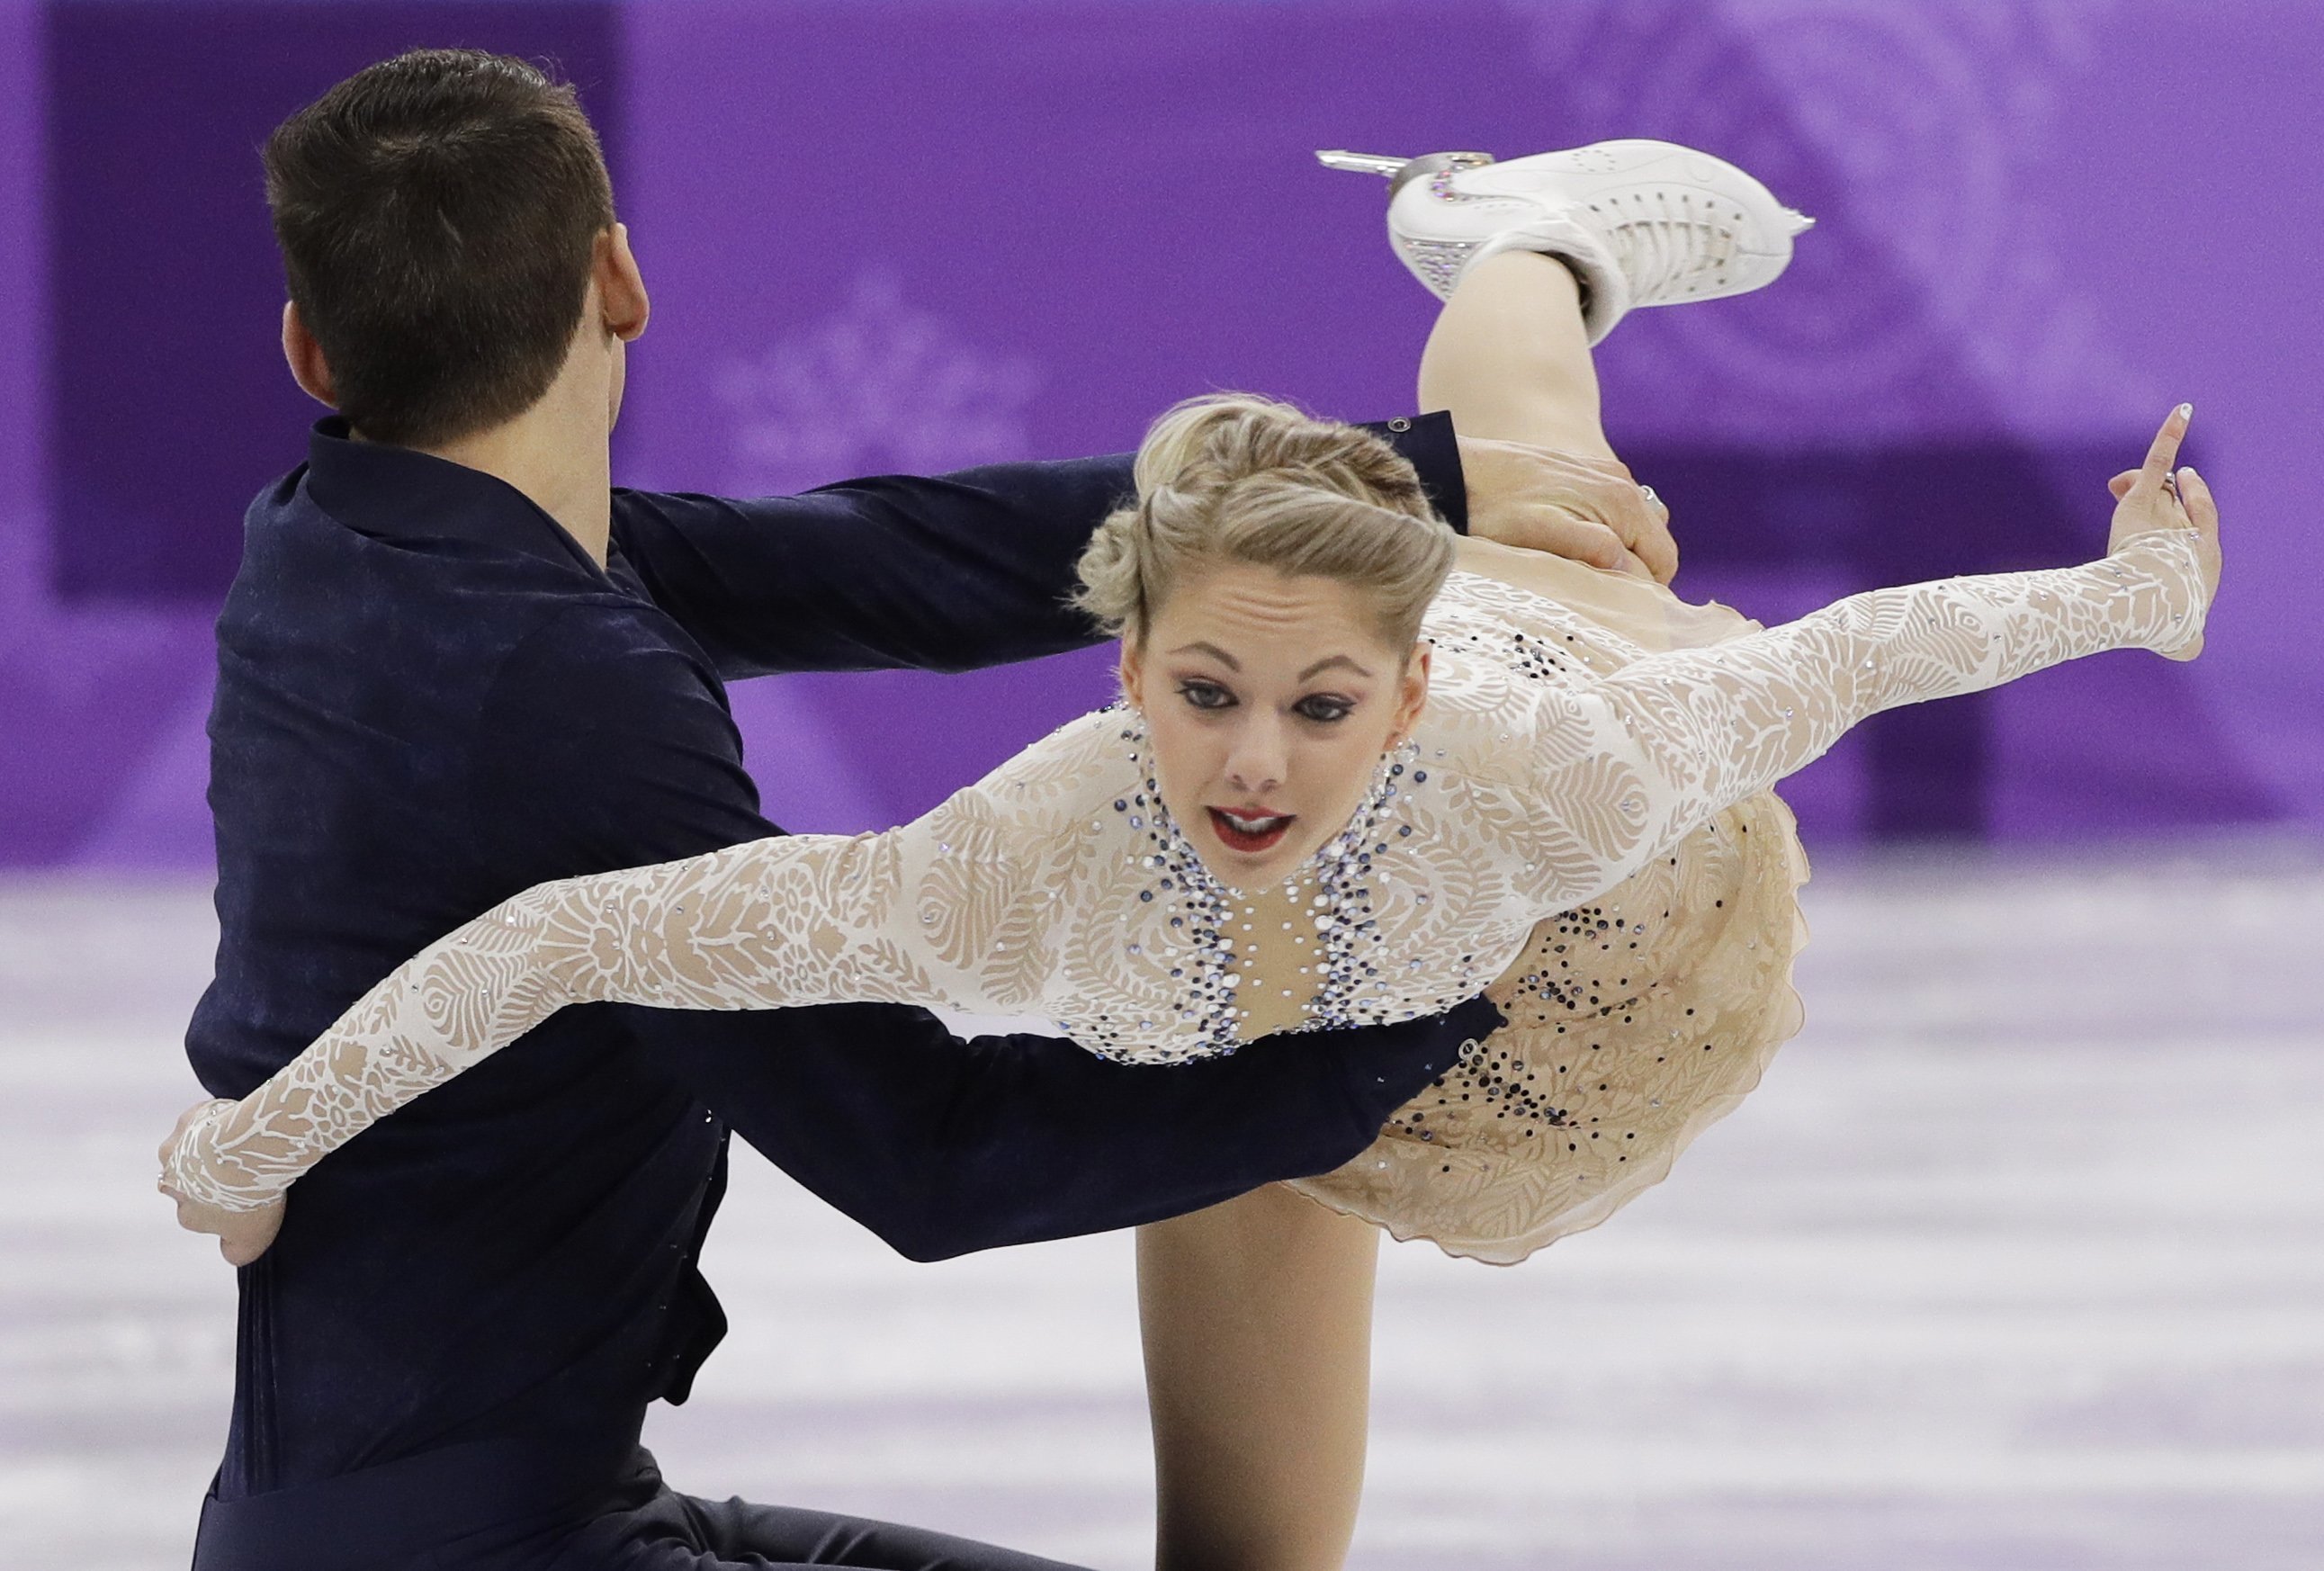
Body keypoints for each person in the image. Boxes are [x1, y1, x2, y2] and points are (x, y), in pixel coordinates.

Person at [164, 124, 2219, 1567]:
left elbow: (1867, 651)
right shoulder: (1011, 855)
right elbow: (897, 1136)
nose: (1242, 766)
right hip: (480, 1508)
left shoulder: (342, 538)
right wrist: (1339, 1061)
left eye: (1318, 700)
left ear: (308, 359)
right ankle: (1496, 328)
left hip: (1587, 860)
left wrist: (2134, 592)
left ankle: (1523, 250)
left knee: (1565, 527)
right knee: (1221, 1038)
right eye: (1199, 695)